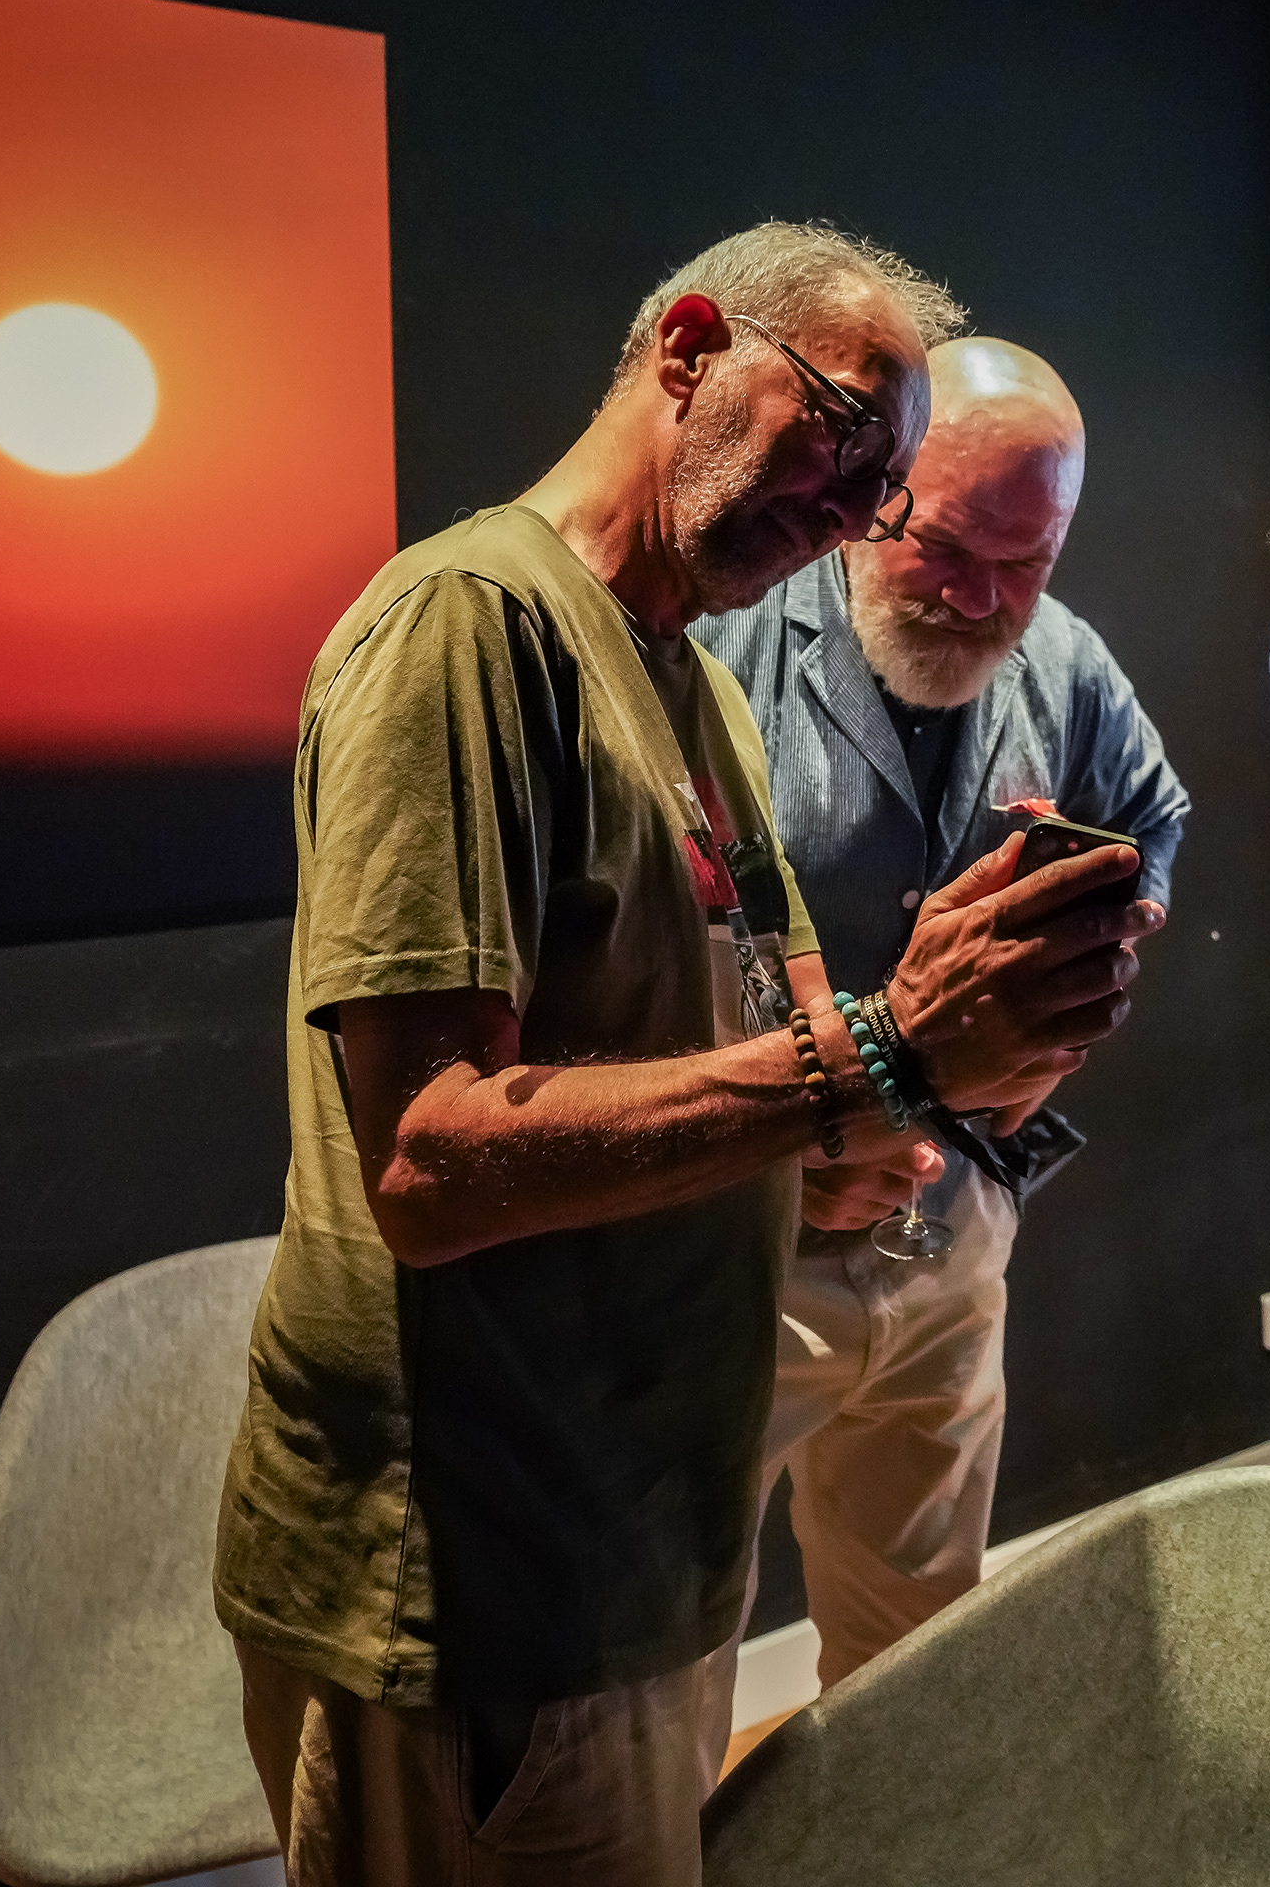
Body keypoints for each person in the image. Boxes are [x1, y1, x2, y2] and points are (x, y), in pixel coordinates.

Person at [211, 222, 1158, 1887]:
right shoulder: (468, 628)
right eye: (847, 439)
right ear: (692, 347)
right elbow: (426, 1160)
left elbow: (780, 1032)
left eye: (880, 484)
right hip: (480, 1577)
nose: (854, 507)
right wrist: (884, 1051)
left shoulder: (686, 691)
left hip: (632, 1532)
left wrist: (937, 1071)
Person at [695, 336, 1187, 1690]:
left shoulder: (1065, 656)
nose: (982, 600)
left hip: (948, 1237)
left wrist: (1077, 1006)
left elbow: (1153, 819)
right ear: (875, 497)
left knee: (918, 1639)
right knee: (671, 1649)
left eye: (1025, 566)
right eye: (948, 550)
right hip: (743, 1241)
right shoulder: (724, 639)